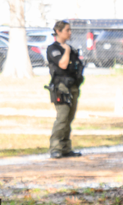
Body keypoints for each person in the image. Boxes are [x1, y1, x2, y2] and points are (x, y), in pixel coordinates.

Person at [46, 20, 84, 159]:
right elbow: (62, 64)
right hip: (61, 87)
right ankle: (55, 148)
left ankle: (66, 148)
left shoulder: (71, 49)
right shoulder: (53, 49)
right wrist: (66, 50)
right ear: (58, 31)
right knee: (62, 118)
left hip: (73, 86)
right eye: (67, 30)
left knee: (69, 118)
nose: (70, 32)